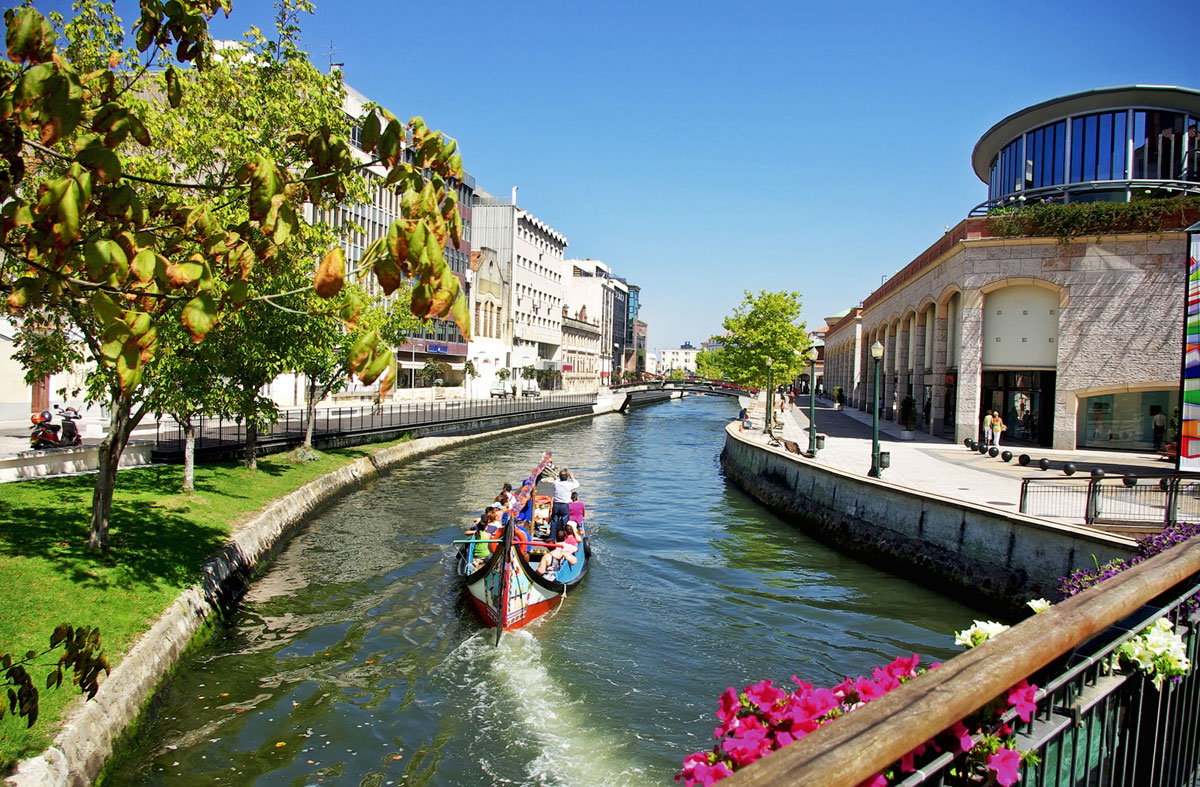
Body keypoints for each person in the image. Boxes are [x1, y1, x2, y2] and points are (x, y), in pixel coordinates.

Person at [550, 468, 579, 533]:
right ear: (567, 477)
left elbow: (556, 480)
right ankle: (563, 536)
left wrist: (558, 477)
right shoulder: (569, 484)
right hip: (565, 505)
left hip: (556, 504)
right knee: (564, 522)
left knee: (554, 522)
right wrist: (572, 478)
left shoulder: (555, 483)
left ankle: (552, 537)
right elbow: (577, 484)